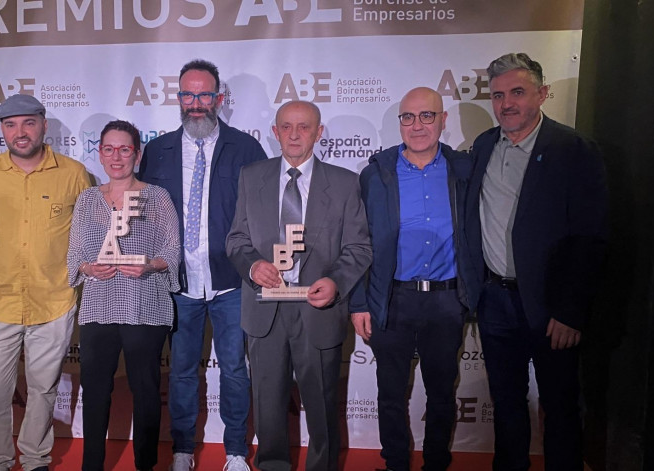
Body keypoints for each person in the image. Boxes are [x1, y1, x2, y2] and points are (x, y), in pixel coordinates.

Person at [465, 53, 608, 471]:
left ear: (542, 94)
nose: (507, 103)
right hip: (495, 302)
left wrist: (570, 311)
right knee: (506, 407)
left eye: (518, 92)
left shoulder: (573, 149)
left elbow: (590, 237)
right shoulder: (485, 145)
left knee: (560, 408)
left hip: (551, 309)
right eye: (498, 95)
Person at [226, 100, 373, 471]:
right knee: (269, 405)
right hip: (265, 310)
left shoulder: (344, 183)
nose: (295, 134)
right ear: (274, 132)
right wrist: (252, 265)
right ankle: (273, 465)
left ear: (319, 132)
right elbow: (236, 240)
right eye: (286, 127)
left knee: (322, 405)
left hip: (317, 309)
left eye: (304, 127)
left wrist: (335, 281)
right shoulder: (251, 176)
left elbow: (359, 247)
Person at [137, 59, 266, 471]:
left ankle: (234, 452)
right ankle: (183, 449)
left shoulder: (246, 148)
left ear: (219, 99)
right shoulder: (158, 151)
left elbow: (261, 215)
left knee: (234, 368)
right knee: (181, 372)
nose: (196, 103)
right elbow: (144, 215)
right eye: (188, 95)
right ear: (178, 99)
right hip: (178, 283)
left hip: (231, 282)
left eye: (204, 95)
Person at [0, 94, 91, 471]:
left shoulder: (73, 173)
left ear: (44, 125)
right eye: (10, 124)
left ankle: (35, 460)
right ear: (2, 129)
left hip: (54, 301)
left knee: (43, 391)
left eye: (28, 123)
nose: (20, 132)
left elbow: (92, 233)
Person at [349, 87, 475, 471]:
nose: (417, 125)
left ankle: (436, 463)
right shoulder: (376, 175)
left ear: (443, 120)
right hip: (392, 299)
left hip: (446, 300)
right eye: (408, 117)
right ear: (399, 122)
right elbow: (358, 241)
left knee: (441, 394)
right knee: (390, 394)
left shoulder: (463, 171)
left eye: (427, 116)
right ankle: (395, 464)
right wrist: (358, 302)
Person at [66, 120, 180, 471]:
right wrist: (87, 268)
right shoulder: (87, 200)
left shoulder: (157, 197)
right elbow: (74, 255)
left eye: (125, 149)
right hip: (99, 306)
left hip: (145, 306)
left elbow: (172, 251)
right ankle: (92, 466)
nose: (117, 156)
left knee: (146, 392)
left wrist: (150, 265)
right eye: (109, 149)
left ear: (137, 153)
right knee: (96, 392)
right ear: (99, 154)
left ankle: (145, 465)